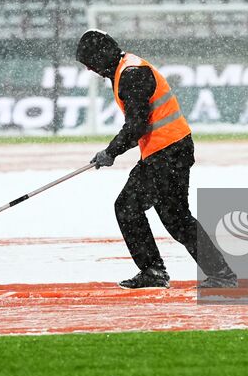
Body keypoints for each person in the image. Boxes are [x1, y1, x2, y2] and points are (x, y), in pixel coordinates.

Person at [75, 29, 238, 290]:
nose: (90, 70)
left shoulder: (131, 74)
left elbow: (137, 125)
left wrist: (111, 152)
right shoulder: (127, 69)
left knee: (128, 207)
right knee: (176, 218)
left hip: (167, 153)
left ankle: (155, 271)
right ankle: (219, 274)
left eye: (90, 63)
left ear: (101, 56)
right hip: (170, 150)